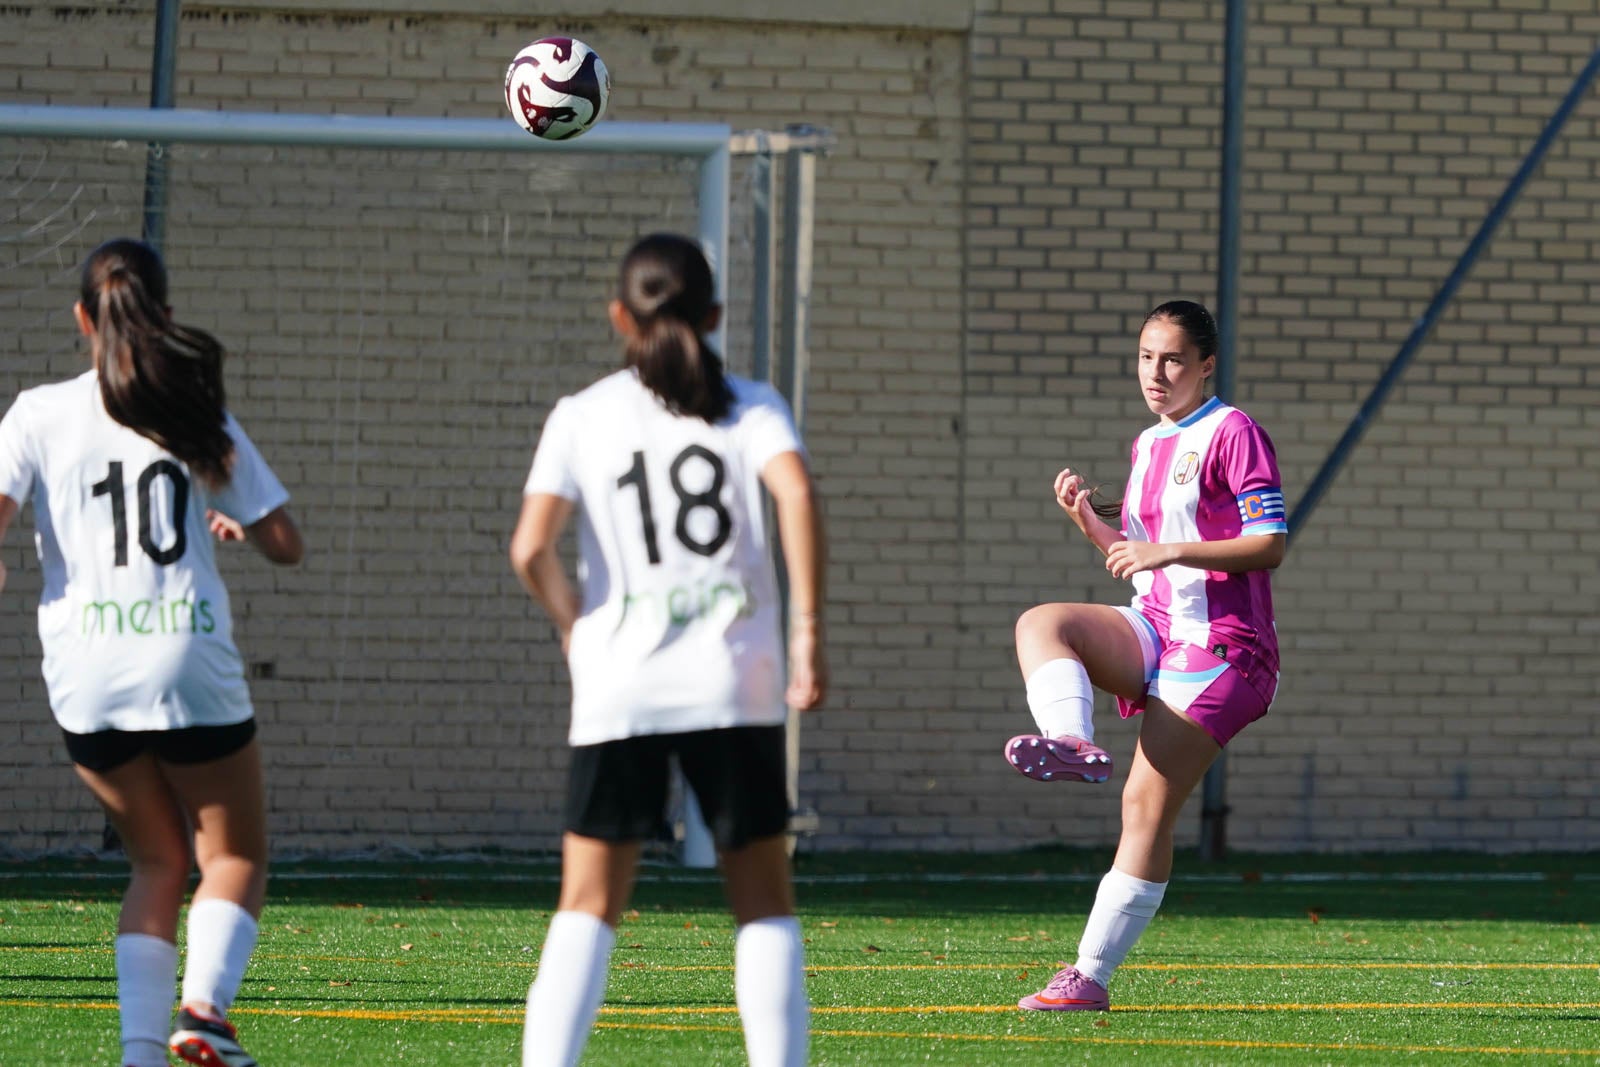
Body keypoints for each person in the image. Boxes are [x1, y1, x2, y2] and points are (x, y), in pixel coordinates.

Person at [510, 233, 826, 1067]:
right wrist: (806, 633)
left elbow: (529, 549)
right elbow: (796, 493)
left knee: (587, 903)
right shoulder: (753, 406)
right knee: (762, 899)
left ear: (620, 315)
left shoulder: (582, 415)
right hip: (735, 680)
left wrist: (577, 627)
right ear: (715, 316)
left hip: (622, 683)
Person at [0, 238, 303, 1067]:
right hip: (184, 655)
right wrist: (245, 525)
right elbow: (286, 542)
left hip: (85, 675)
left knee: (156, 860)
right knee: (232, 854)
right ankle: (202, 1012)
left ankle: (140, 1053)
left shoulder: (35, 413)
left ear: (80, 320)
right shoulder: (193, 410)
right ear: (164, 318)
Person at [1005, 300, 1286, 1011]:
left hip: (1226, 646)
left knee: (1144, 804)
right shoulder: (1149, 443)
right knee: (1044, 623)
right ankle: (1070, 739)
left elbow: (1270, 543)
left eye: (1172, 360)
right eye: (1145, 357)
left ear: (1206, 364)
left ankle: (1088, 977)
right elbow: (1143, 566)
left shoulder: (1234, 431)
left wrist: (1166, 547)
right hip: (1159, 623)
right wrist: (1092, 525)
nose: (1156, 374)